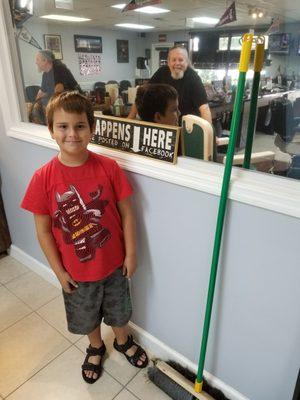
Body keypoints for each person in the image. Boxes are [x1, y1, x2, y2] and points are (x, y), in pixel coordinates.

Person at [21, 91, 148, 384]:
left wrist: (131, 253)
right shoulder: (43, 178)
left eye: (80, 126)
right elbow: (42, 230)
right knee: (86, 315)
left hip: (115, 264)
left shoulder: (109, 168)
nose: (72, 134)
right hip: (77, 273)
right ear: (51, 130)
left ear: (91, 128)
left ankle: (122, 340)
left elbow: (127, 214)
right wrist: (58, 270)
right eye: (63, 126)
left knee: (119, 309)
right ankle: (95, 346)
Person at [128, 46, 212, 123]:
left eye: (181, 60)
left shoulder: (193, 78)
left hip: (188, 127)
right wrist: (129, 120)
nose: (177, 63)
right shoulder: (162, 72)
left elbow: (204, 108)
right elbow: (142, 95)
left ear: (186, 62)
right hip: (167, 126)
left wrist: (208, 133)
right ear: (168, 62)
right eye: (174, 60)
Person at [31, 50, 81, 124]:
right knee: (37, 106)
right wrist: (33, 105)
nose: (36, 62)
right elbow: (41, 92)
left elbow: (58, 91)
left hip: (72, 101)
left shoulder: (59, 69)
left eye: (38, 59)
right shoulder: (45, 74)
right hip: (60, 102)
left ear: (45, 60)